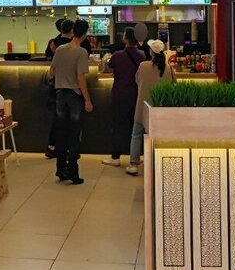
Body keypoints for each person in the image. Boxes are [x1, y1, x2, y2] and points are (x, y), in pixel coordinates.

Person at [49, 19, 93, 184]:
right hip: (74, 96)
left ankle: (60, 169)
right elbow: (80, 77)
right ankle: (73, 171)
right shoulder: (81, 52)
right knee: (74, 134)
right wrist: (87, 100)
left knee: (61, 132)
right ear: (85, 34)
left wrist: (62, 76)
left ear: (74, 31)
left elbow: (52, 71)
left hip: (60, 95)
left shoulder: (60, 49)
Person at [128, 40, 174, 175]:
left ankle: (134, 164)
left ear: (151, 52)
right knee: (158, 137)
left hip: (142, 107)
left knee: (136, 135)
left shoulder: (143, 66)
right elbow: (173, 85)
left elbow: (137, 80)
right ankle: (157, 162)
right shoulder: (169, 69)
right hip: (159, 108)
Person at [103, 28, 144, 166]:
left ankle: (115, 157)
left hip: (119, 95)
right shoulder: (142, 55)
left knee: (117, 126)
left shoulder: (117, 55)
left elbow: (109, 69)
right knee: (136, 127)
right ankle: (136, 156)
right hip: (136, 95)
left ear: (125, 39)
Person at [44, 19, 74, 158]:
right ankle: (67, 148)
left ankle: (52, 146)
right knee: (70, 119)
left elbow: (49, 59)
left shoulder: (53, 43)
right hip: (72, 85)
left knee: (58, 118)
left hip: (57, 86)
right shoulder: (76, 44)